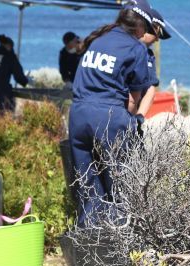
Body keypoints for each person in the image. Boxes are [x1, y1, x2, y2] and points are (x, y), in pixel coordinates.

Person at [68, 0, 160, 226]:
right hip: (108, 116)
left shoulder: (98, 40)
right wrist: (134, 122)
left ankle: (89, 240)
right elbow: (132, 99)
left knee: (87, 186)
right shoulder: (135, 48)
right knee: (121, 186)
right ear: (140, 27)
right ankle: (122, 240)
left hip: (78, 114)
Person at [137, 8, 172, 117]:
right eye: (158, 33)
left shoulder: (148, 56)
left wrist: (138, 119)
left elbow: (150, 89)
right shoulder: (120, 47)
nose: (157, 39)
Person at [0, 34, 29, 115]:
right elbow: (19, 77)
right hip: (2, 93)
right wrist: (26, 81)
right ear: (9, 46)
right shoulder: (9, 56)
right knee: (5, 119)